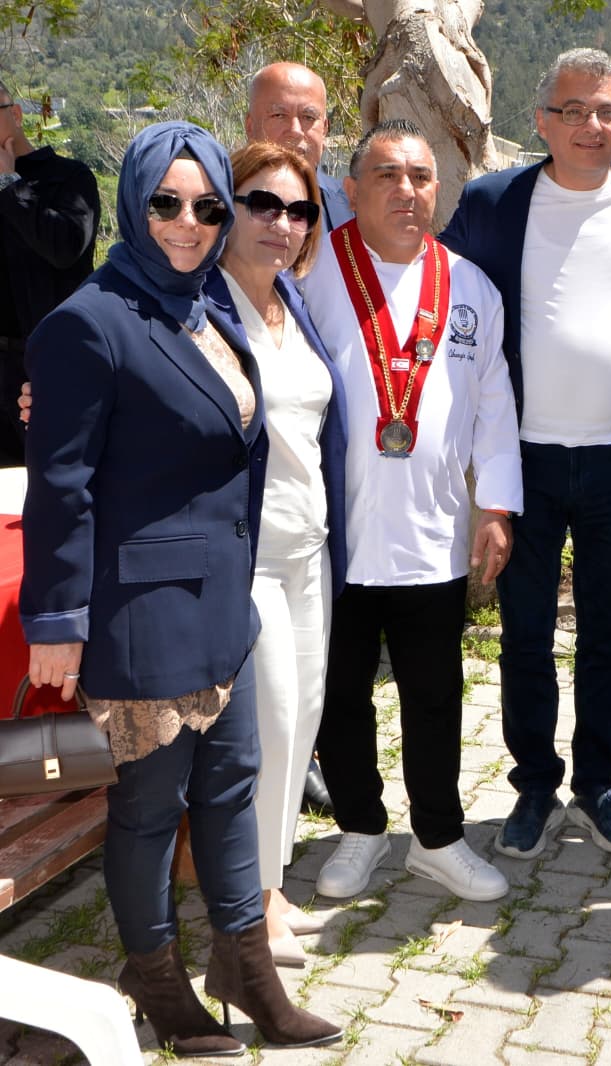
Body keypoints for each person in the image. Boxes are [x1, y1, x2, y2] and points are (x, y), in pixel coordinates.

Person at [20, 120, 340, 1055]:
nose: (189, 223)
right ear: (135, 202)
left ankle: (247, 969)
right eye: (167, 202)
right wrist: (57, 619)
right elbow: (62, 487)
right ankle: (153, 977)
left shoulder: (208, 309)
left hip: (222, 605)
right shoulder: (88, 321)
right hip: (142, 614)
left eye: (207, 206)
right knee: (151, 808)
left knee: (233, 787)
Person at [439, 48, 611, 857]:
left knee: (610, 636)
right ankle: (535, 784)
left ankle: (599, 785)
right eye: (574, 110)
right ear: (542, 121)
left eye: (608, 110)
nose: (592, 125)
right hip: (525, 462)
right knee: (526, 636)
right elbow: (438, 289)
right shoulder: (495, 201)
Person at [307, 119, 522, 903]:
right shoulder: (311, 270)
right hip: (334, 534)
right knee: (341, 695)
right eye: (387, 175)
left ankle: (437, 838)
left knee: (434, 695)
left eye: (421, 177)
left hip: (433, 531)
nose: (407, 191)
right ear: (351, 190)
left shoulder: (471, 287)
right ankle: (361, 829)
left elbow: (495, 406)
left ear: (441, 190)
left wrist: (495, 505)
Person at [209, 142, 348, 964]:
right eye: (262, 203)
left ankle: (268, 885)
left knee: (302, 723)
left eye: (299, 210)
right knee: (268, 724)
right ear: (226, 208)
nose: (282, 222)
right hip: (249, 555)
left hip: (311, 548)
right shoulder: (199, 305)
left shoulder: (291, 300)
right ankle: (245, 909)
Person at [0, 75, 99, 465]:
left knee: (53, 482)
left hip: (48, 366)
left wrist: (9, 184)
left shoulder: (70, 178)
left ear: (16, 113)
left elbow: (65, 249)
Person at [244, 61, 353, 232]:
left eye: (308, 117)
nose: (295, 131)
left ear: (325, 129)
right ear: (250, 127)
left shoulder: (353, 207)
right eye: (279, 115)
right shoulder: (222, 203)